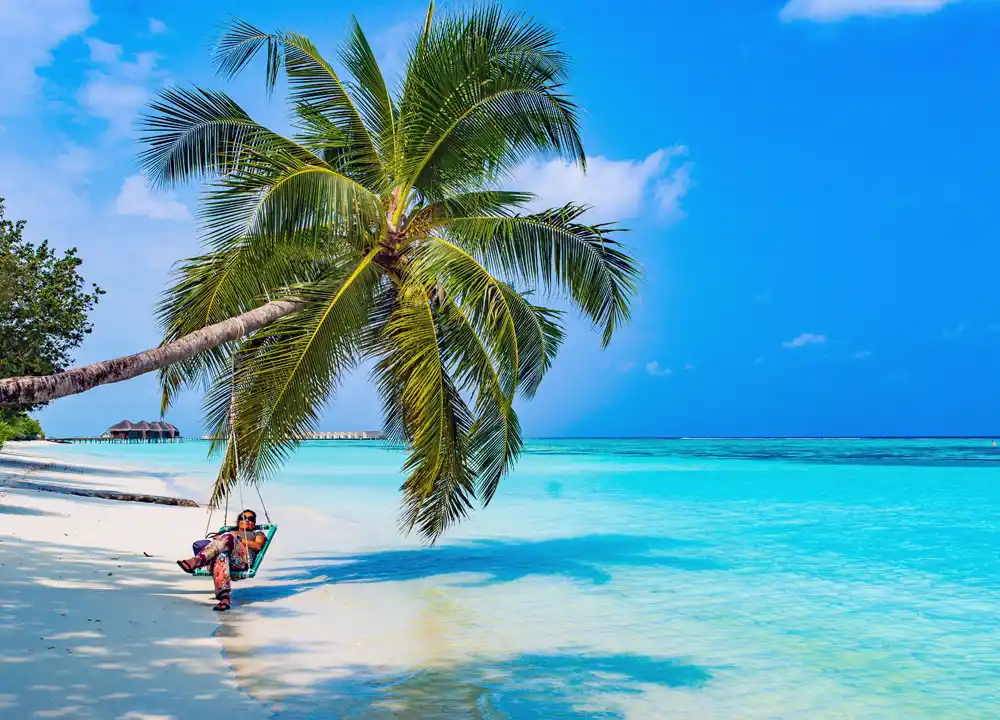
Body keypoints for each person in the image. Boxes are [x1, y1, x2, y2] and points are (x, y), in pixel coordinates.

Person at [176, 509, 267, 611]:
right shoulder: (228, 532)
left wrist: (238, 539)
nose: (247, 520)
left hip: (242, 560)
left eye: (251, 519)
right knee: (221, 555)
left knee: (228, 538)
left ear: (254, 523)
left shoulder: (257, 533)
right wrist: (220, 537)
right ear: (238, 521)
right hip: (224, 560)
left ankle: (196, 561)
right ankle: (224, 599)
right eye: (243, 518)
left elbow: (258, 546)